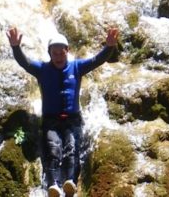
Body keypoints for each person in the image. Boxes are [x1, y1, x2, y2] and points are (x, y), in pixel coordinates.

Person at [7, 26, 119, 197]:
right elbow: (25, 62)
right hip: (51, 120)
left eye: (61, 53)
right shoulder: (42, 69)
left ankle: (71, 182)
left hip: (72, 119)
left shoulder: (77, 67)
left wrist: (109, 46)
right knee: (53, 149)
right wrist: (15, 47)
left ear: (67, 51)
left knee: (71, 147)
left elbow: (97, 60)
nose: (58, 56)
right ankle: (53, 185)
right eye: (55, 53)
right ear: (49, 53)